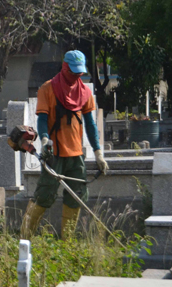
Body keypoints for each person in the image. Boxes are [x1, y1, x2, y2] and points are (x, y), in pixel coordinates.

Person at [20, 50, 109, 240]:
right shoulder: (47, 89)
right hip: (54, 154)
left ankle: (66, 242)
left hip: (76, 155)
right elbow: (42, 119)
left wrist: (98, 153)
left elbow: (91, 125)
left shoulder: (85, 92)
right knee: (44, 195)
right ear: (64, 67)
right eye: (73, 72)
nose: (77, 76)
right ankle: (25, 238)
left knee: (76, 197)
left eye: (80, 73)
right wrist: (44, 139)